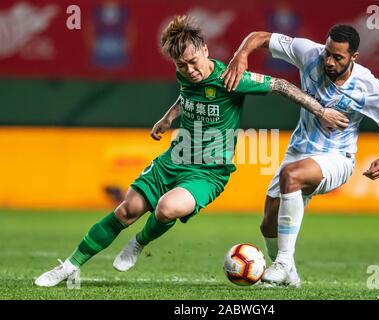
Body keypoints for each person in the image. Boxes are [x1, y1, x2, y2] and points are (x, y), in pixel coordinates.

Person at [34, 16, 349, 287]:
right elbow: (186, 98)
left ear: (205, 51)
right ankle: (69, 267)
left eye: (193, 62)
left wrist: (320, 111)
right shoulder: (184, 74)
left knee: (166, 210)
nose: (189, 70)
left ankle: (139, 242)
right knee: (126, 211)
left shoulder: (231, 79)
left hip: (208, 172)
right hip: (174, 159)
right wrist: (168, 118)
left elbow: (281, 86)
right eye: (181, 65)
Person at [221, 25, 379, 287]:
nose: (329, 61)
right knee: (268, 226)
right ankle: (290, 274)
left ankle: (282, 262)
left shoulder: (370, 88)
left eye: (338, 57)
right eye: (328, 53)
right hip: (299, 149)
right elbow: (260, 37)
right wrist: (241, 55)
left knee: (290, 175)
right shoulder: (309, 53)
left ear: (354, 57)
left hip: (338, 157)